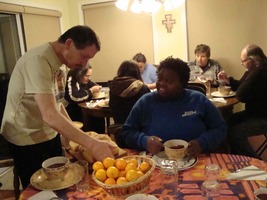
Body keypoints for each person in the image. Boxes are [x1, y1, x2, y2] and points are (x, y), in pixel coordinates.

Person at [0, 25, 115, 189]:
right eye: (84, 57)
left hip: (48, 132)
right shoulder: (38, 60)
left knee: (61, 183)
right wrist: (92, 143)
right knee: (38, 190)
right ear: (69, 43)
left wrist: (77, 139)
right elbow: (50, 115)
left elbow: (58, 104)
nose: (84, 64)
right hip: (25, 136)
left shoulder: (60, 63)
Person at [118, 57, 227, 157]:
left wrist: (202, 143)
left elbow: (220, 128)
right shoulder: (145, 102)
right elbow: (127, 132)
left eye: (169, 81)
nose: (162, 84)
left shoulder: (198, 100)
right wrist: (144, 141)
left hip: (195, 160)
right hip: (156, 163)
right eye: (159, 79)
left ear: (182, 83)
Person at [217, 44, 267, 158]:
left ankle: (249, 159)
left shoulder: (261, 70)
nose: (242, 64)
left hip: (262, 116)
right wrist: (228, 80)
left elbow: (241, 95)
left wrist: (250, 73)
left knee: (236, 132)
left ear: (251, 60)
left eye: (243, 61)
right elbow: (240, 86)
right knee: (230, 120)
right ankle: (232, 154)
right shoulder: (255, 68)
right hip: (255, 112)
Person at [64, 64, 105, 133]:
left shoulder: (85, 79)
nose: (88, 78)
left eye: (89, 76)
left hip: (84, 107)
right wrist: (91, 91)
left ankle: (99, 137)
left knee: (99, 117)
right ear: (80, 74)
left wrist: (97, 88)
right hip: (73, 109)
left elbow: (95, 85)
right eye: (87, 76)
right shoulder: (72, 79)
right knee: (90, 118)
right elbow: (74, 97)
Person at [109, 60, 150, 125]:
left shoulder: (113, 86)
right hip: (139, 128)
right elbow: (148, 109)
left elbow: (111, 106)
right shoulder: (142, 88)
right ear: (137, 72)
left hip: (119, 127)